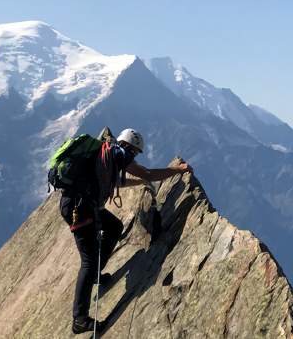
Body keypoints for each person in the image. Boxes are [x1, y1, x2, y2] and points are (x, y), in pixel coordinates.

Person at [56, 128, 193, 334]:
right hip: (81, 209)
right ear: (129, 145)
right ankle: (80, 319)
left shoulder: (108, 154)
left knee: (114, 226)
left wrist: (139, 182)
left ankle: (96, 274)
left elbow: (114, 180)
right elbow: (147, 173)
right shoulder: (118, 153)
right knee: (89, 261)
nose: (134, 157)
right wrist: (178, 170)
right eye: (135, 152)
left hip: (82, 205)